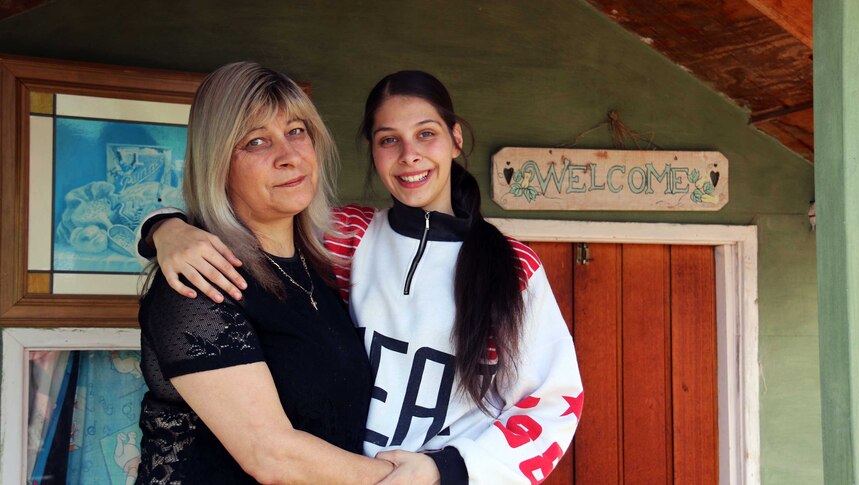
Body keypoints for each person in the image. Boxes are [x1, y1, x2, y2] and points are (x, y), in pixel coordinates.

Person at [140, 70, 584, 484]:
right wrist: (165, 227)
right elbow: (248, 220)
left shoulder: (513, 266)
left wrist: (446, 470)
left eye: (426, 134)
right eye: (388, 139)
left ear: (455, 139)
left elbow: (553, 402)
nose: (409, 154)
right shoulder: (345, 239)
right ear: (372, 151)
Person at [136, 62, 404, 484]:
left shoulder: (322, 265)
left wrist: (159, 224)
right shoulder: (199, 280)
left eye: (297, 131)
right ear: (218, 162)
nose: (289, 156)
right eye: (257, 141)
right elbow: (271, 455)